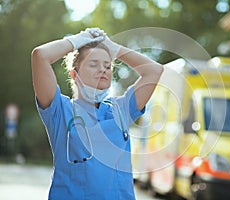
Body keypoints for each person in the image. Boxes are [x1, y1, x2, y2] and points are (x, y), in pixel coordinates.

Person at [31, 27, 163, 199]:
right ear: (74, 74)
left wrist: (114, 48)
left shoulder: (121, 109)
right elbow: (40, 56)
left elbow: (154, 70)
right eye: (94, 64)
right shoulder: (60, 111)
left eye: (107, 66)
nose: (102, 69)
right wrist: (78, 39)